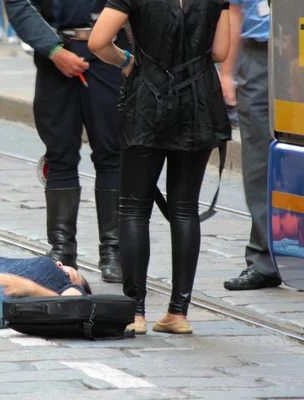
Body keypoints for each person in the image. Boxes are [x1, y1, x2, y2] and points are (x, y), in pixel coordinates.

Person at [88, 0, 231, 334]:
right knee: (185, 209)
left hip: (147, 101)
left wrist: (126, 59)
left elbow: (97, 42)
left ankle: (135, 312)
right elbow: (221, 51)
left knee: (134, 210)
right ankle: (178, 313)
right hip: (198, 102)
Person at [4, 0, 131, 283]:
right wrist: (54, 51)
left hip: (108, 53)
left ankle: (114, 250)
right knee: (59, 154)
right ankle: (62, 250)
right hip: (54, 57)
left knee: (112, 152)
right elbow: (18, 5)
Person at [220, 0, 283, 291]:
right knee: (259, 161)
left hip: (298, 45)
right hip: (261, 53)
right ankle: (264, 260)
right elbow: (235, 11)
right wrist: (227, 71)